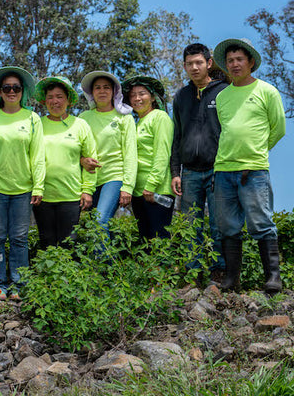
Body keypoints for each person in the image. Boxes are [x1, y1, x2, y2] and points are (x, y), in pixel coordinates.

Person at [212, 38, 286, 293]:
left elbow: (278, 128)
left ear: (251, 62)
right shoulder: (222, 97)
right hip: (222, 169)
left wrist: (256, 152)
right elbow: (225, 130)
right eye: (230, 61)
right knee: (227, 226)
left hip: (253, 169)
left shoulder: (267, 91)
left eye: (239, 60)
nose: (234, 64)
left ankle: (273, 277)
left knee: (261, 222)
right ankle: (232, 280)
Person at [0, 66, 45, 300]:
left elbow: (38, 155)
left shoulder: (32, 118)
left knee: (20, 238)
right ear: (0, 92)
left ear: (22, 91)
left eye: (16, 87)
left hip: (23, 189)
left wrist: (39, 186)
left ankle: (20, 284)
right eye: (7, 88)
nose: (12, 91)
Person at [170, 43, 229, 283]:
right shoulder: (181, 96)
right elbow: (177, 136)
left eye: (198, 63)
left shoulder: (224, 91)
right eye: (189, 64)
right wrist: (176, 172)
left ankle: (219, 273)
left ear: (209, 63)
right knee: (190, 225)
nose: (194, 68)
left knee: (218, 224)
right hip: (190, 173)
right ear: (184, 66)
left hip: (218, 169)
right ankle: (192, 275)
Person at [32, 76, 97, 248]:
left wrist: (87, 190)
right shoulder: (37, 124)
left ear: (68, 100)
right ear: (44, 101)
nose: (55, 101)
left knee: (69, 244)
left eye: (59, 96)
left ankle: (71, 276)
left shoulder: (80, 125)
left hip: (71, 196)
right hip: (43, 196)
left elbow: (91, 162)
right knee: (46, 243)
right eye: (50, 97)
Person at [79, 71, 137, 230]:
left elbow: (131, 153)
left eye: (106, 87)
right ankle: (106, 255)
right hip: (90, 180)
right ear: (92, 93)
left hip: (114, 176)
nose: (102, 91)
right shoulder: (83, 118)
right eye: (97, 88)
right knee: (93, 226)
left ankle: (104, 256)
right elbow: (76, 150)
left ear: (114, 92)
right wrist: (82, 161)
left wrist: (128, 186)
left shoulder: (124, 117)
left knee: (100, 220)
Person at [122, 76, 174, 239]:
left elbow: (162, 154)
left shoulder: (160, 117)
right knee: (145, 241)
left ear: (152, 97)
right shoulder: (137, 123)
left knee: (159, 239)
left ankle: (167, 266)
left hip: (156, 190)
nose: (137, 98)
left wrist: (151, 185)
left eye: (142, 94)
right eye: (132, 95)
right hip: (138, 191)